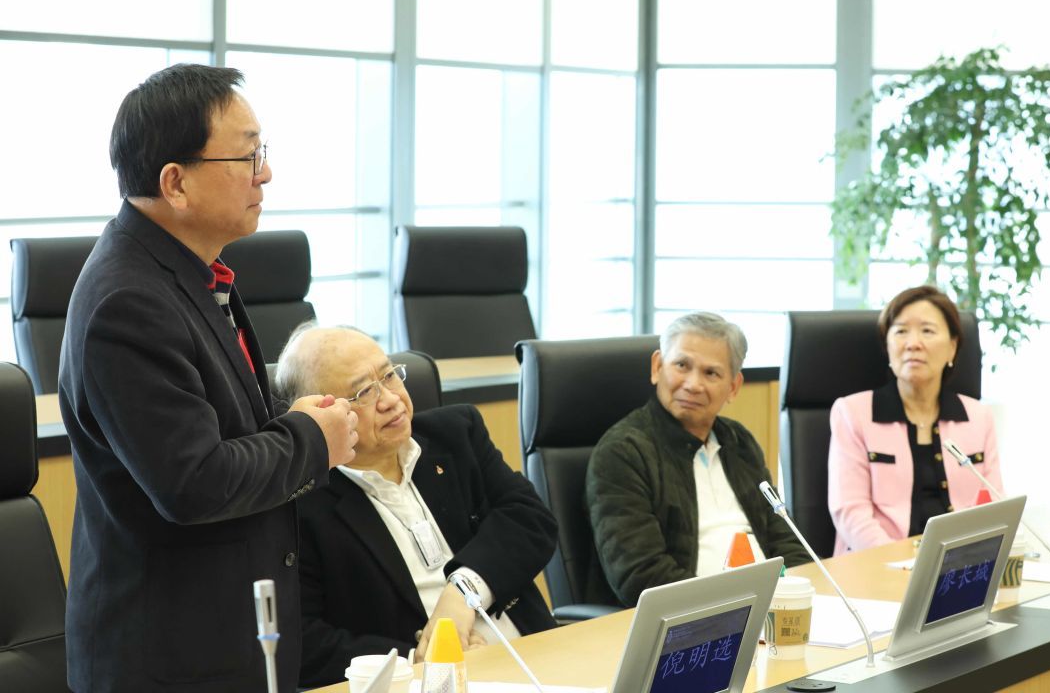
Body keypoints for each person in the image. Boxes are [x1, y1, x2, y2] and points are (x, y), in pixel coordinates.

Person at [60, 64, 359, 693]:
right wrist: (311, 438)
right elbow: (193, 483)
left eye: (262, 153)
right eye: (248, 157)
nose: (265, 174)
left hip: (224, 638)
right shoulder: (127, 301)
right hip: (167, 659)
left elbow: (233, 428)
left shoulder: (191, 270)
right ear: (175, 183)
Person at [274, 324, 558, 688]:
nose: (390, 399)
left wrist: (462, 593)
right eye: (364, 392)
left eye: (389, 375)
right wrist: (421, 660)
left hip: (532, 657)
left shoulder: (456, 433)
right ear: (319, 415)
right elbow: (306, 643)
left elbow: (530, 519)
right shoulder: (299, 506)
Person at [586, 312, 810, 608]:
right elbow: (641, 577)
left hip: (769, 607)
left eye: (711, 373)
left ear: (733, 387)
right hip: (693, 618)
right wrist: (733, 607)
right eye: (682, 365)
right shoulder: (623, 452)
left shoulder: (739, 442)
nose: (693, 384)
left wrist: (800, 591)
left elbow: (785, 538)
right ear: (657, 367)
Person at [828, 285, 1003, 554]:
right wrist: (899, 563)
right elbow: (850, 512)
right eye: (900, 331)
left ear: (952, 348)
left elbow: (993, 505)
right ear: (888, 346)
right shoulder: (852, 413)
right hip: (874, 564)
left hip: (957, 564)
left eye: (927, 331)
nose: (913, 343)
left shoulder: (978, 417)